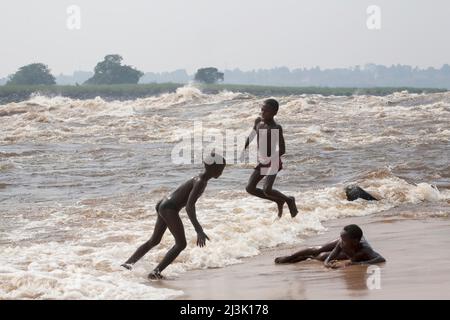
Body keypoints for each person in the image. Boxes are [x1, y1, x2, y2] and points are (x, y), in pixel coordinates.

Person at [121, 152, 226, 279]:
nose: (222, 171)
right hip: (169, 208)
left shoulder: (199, 179)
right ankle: (155, 273)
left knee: (154, 240)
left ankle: (128, 264)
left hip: (164, 204)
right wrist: (199, 230)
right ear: (214, 169)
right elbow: (189, 207)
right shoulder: (200, 182)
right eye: (221, 168)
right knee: (181, 244)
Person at [243, 98, 298, 218]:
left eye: (266, 111)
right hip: (262, 161)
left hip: (273, 161)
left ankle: (289, 200)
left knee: (267, 189)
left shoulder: (276, 127)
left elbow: (283, 149)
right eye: (262, 110)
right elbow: (252, 135)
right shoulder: (258, 122)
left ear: (274, 113)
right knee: (250, 188)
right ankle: (278, 200)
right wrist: (243, 147)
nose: (263, 113)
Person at [275, 224, 386, 267]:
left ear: (356, 241)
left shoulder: (365, 249)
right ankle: (290, 257)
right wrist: (327, 262)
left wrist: (360, 263)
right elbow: (334, 252)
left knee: (321, 256)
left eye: (344, 240)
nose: (341, 242)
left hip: (352, 253)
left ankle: (308, 257)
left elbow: (380, 258)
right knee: (318, 249)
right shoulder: (342, 242)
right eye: (341, 238)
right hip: (350, 250)